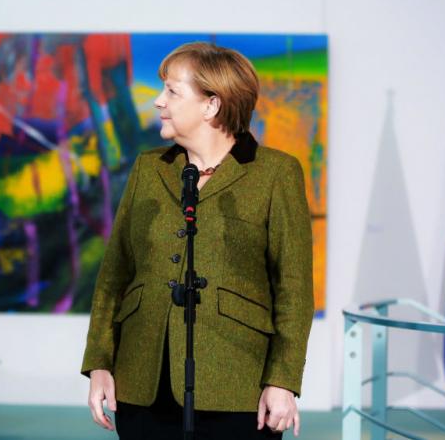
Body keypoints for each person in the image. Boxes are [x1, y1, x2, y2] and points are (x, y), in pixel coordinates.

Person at [81, 42, 314, 439]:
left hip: (237, 383)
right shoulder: (148, 169)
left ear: (212, 105)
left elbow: (293, 288)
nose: (158, 102)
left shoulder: (275, 174)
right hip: (143, 381)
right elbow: (114, 275)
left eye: (172, 91)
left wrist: (283, 380)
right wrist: (100, 362)